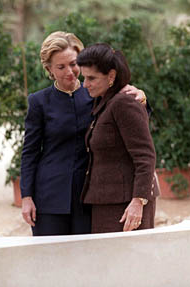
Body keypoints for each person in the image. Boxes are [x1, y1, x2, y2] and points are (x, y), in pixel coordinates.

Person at [20, 31, 148, 236]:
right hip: (49, 196)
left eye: (74, 64)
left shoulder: (98, 92)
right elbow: (30, 152)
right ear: (49, 69)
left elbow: (130, 120)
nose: (69, 72)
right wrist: (26, 196)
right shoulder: (39, 102)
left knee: (86, 261)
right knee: (50, 261)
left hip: (90, 196)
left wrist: (141, 98)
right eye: (61, 67)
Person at [77, 43, 158, 233]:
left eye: (91, 78)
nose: (85, 84)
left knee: (130, 262)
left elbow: (145, 156)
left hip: (126, 206)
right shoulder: (103, 100)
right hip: (105, 202)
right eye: (84, 77)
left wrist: (138, 201)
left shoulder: (124, 102)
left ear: (111, 76)